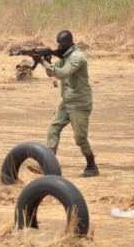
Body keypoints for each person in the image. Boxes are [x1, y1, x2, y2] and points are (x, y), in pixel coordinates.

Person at [30, 30, 99, 177]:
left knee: (80, 138)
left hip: (79, 102)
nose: (59, 45)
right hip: (67, 101)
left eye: (62, 42)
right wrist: (47, 61)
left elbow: (61, 74)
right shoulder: (64, 57)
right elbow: (51, 73)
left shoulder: (76, 57)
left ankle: (92, 166)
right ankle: (46, 164)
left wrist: (42, 61)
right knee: (53, 128)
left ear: (70, 42)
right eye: (58, 42)